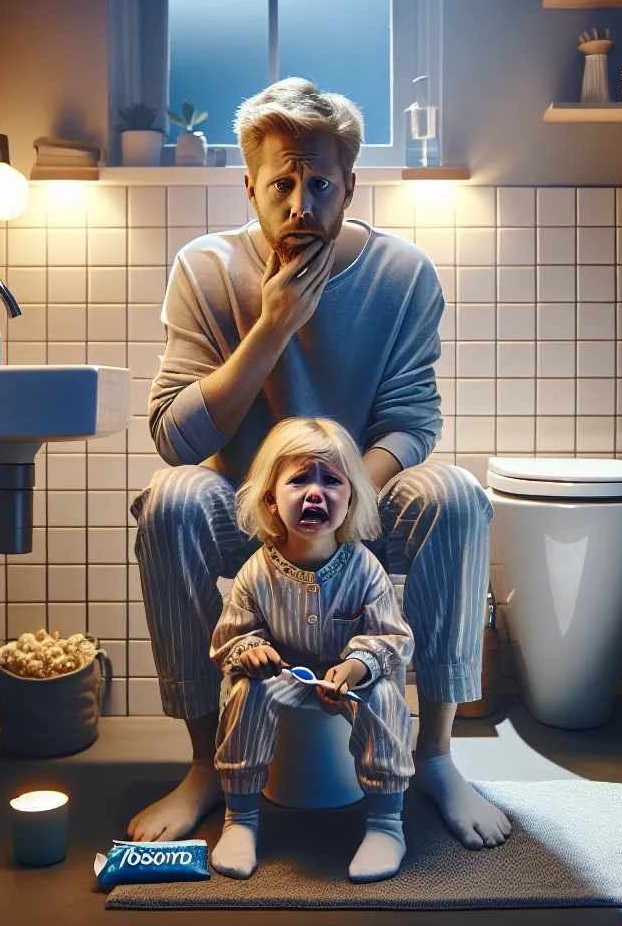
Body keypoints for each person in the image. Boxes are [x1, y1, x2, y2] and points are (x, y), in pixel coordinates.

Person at [127, 78, 511, 852]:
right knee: (169, 498)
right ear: (250, 186)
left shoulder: (403, 275)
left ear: (350, 184)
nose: (302, 202)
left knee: (457, 495)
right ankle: (206, 765)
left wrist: (342, 507)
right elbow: (173, 433)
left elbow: (412, 421)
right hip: (247, 512)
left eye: (320, 182)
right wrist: (272, 325)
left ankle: (434, 755)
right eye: (283, 183)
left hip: (357, 508)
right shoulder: (204, 270)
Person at [209, 418, 413, 882]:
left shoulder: (365, 568)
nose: (315, 492)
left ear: (351, 499)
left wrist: (359, 666)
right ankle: (240, 818)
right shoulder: (257, 571)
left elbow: (392, 637)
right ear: (271, 500)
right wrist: (250, 652)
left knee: (382, 700)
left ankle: (386, 822)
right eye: (298, 479)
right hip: (283, 679)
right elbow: (229, 637)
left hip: (351, 683)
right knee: (246, 693)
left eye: (331, 480)